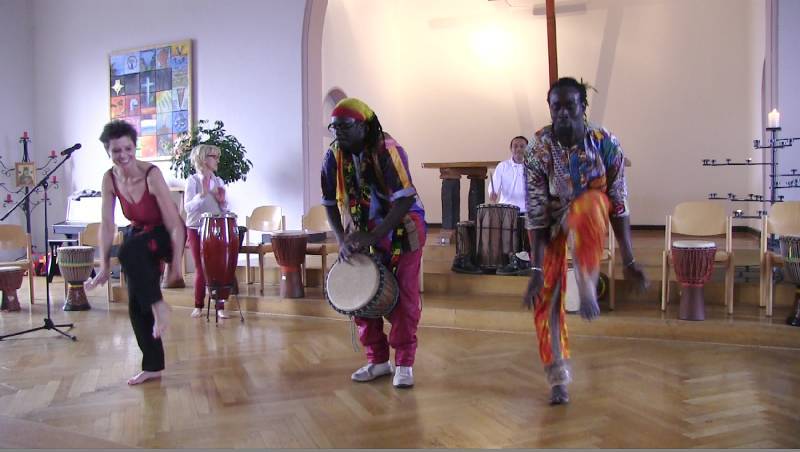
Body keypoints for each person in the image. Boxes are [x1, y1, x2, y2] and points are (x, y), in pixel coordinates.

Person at [523, 77, 648, 405]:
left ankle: (588, 281)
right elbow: (535, 212)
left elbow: (619, 203)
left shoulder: (605, 143)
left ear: (583, 108)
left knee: (591, 205)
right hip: (549, 222)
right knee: (547, 299)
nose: (562, 113)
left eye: (570, 106)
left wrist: (629, 259)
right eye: (556, 107)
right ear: (550, 110)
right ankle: (557, 376)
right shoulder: (538, 149)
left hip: (589, 212)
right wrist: (536, 268)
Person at [321, 98, 426, 388]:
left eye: (345, 126)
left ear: (363, 126)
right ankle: (378, 360)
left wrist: (374, 236)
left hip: (403, 229)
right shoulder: (333, 156)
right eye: (334, 127)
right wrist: (343, 239)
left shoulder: (387, 150)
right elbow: (330, 202)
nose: (338, 133)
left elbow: (404, 199)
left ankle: (404, 362)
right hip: (360, 228)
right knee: (360, 293)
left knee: (404, 299)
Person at [86, 120, 186, 386]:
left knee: (129, 249)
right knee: (135, 303)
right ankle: (153, 366)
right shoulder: (109, 179)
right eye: (116, 151)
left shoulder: (151, 174)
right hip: (139, 238)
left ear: (134, 146)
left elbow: (174, 223)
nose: (123, 155)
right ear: (108, 151)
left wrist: (176, 265)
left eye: (127, 148)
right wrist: (105, 267)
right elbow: (107, 225)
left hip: (166, 233)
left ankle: (160, 307)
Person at [183, 144, 230, 319]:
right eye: (214, 156)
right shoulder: (193, 181)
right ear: (203, 159)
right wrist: (202, 194)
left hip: (215, 228)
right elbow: (188, 209)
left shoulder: (218, 181)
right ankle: (198, 305)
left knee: (218, 268)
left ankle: (219, 306)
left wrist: (222, 202)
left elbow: (224, 209)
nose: (217, 160)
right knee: (201, 268)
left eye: (218, 156)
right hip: (196, 229)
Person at [489, 136, 532, 275]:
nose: (519, 149)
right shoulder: (503, 166)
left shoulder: (533, 165)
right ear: (511, 149)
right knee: (507, 238)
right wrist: (493, 193)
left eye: (522, 146)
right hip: (507, 210)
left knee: (529, 237)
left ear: (527, 148)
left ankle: (527, 261)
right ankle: (508, 261)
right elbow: (493, 186)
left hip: (527, 210)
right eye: (515, 146)